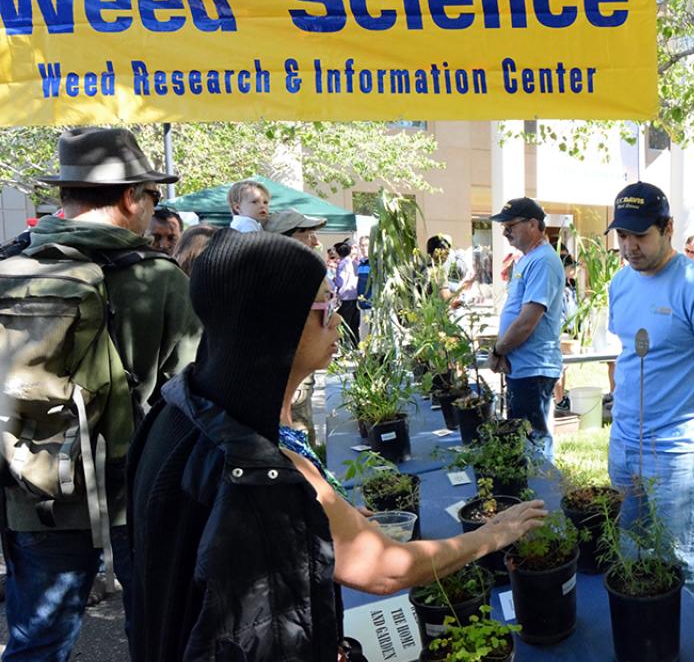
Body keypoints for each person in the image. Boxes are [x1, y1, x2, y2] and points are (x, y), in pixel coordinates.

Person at [127, 230, 546, 661]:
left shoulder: (179, 408)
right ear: (280, 324)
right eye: (326, 307)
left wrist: (317, 526)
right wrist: (492, 534)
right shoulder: (263, 467)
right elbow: (389, 570)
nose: (339, 321)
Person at [0, 127, 201, 662]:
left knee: (36, 640)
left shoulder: (11, 264)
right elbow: (193, 388)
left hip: (32, 480)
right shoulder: (159, 278)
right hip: (137, 488)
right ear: (133, 197)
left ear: (65, 195)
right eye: (153, 196)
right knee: (156, 630)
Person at [605, 182, 694, 604]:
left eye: (640, 235)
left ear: (667, 229)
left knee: (680, 560)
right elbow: (630, 354)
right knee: (627, 548)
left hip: (677, 449)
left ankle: (690, 644)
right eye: (623, 236)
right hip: (624, 441)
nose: (630, 247)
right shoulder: (621, 283)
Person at [488, 197, 564, 460]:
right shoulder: (528, 259)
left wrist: (498, 350)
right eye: (503, 227)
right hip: (524, 367)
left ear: (533, 224)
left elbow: (527, 320)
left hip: (534, 368)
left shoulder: (543, 261)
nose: (506, 231)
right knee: (525, 440)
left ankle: (542, 498)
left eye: (511, 225)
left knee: (533, 443)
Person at [264, 210, 329, 441]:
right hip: (289, 368)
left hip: (299, 368)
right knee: (296, 431)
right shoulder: (282, 275)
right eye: (308, 234)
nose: (316, 241)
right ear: (284, 237)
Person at [334, 240, 361, 347]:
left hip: (345, 297)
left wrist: (333, 280)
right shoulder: (353, 262)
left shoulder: (342, 264)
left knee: (344, 324)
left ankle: (346, 347)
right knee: (354, 324)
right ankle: (356, 345)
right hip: (355, 295)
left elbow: (340, 281)